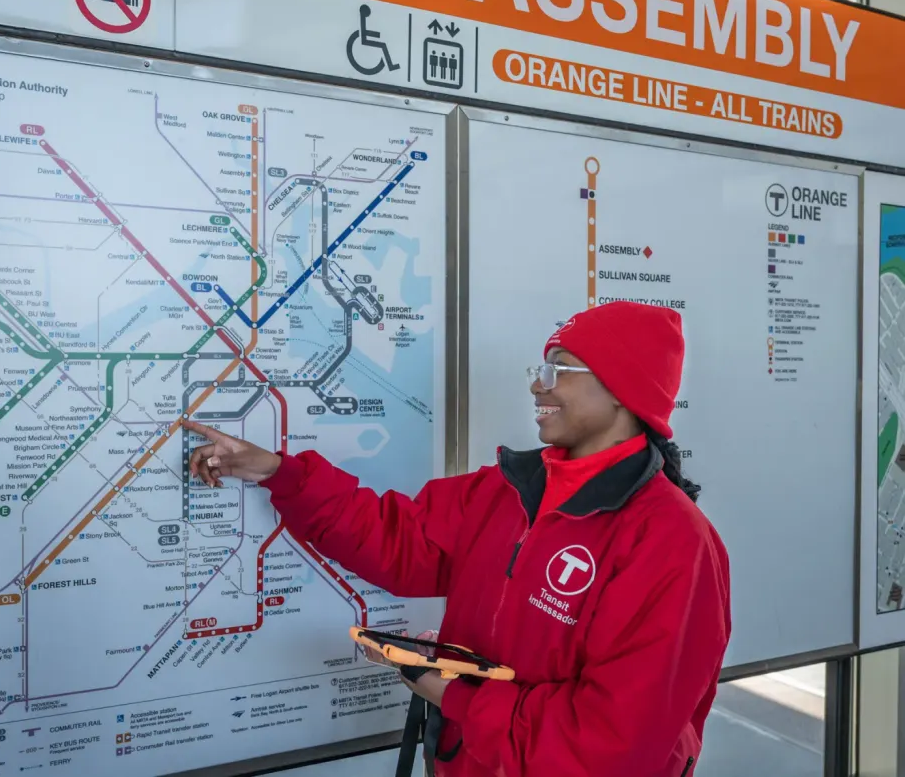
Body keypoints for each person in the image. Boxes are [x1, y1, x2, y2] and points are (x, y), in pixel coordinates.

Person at [186, 301, 731, 777]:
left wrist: (454, 695)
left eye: (559, 368)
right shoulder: (506, 491)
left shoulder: (673, 543)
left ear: (622, 390)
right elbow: (393, 539)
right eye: (541, 367)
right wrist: (278, 472)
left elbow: (608, 748)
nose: (538, 383)